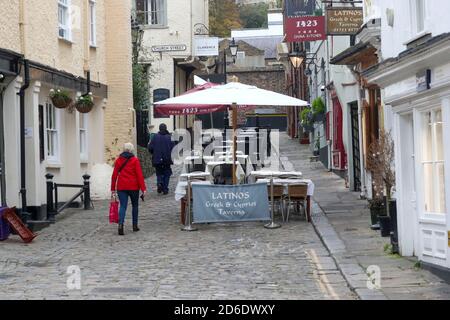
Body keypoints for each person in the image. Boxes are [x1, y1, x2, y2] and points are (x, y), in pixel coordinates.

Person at [111, 143, 147, 236]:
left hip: (121, 186)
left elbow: (114, 175)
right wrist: (143, 188)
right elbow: (139, 175)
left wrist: (112, 189)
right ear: (131, 150)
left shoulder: (119, 160)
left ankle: (120, 225)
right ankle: (135, 225)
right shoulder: (135, 160)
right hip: (134, 187)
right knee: (135, 206)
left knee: (123, 206)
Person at [148, 123, 175, 195]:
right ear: (166, 128)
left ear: (159, 129)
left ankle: (160, 182)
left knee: (159, 172)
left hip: (157, 159)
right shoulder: (170, 137)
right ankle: (165, 188)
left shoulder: (155, 137)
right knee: (167, 173)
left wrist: (154, 153)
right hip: (167, 159)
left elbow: (150, 148)